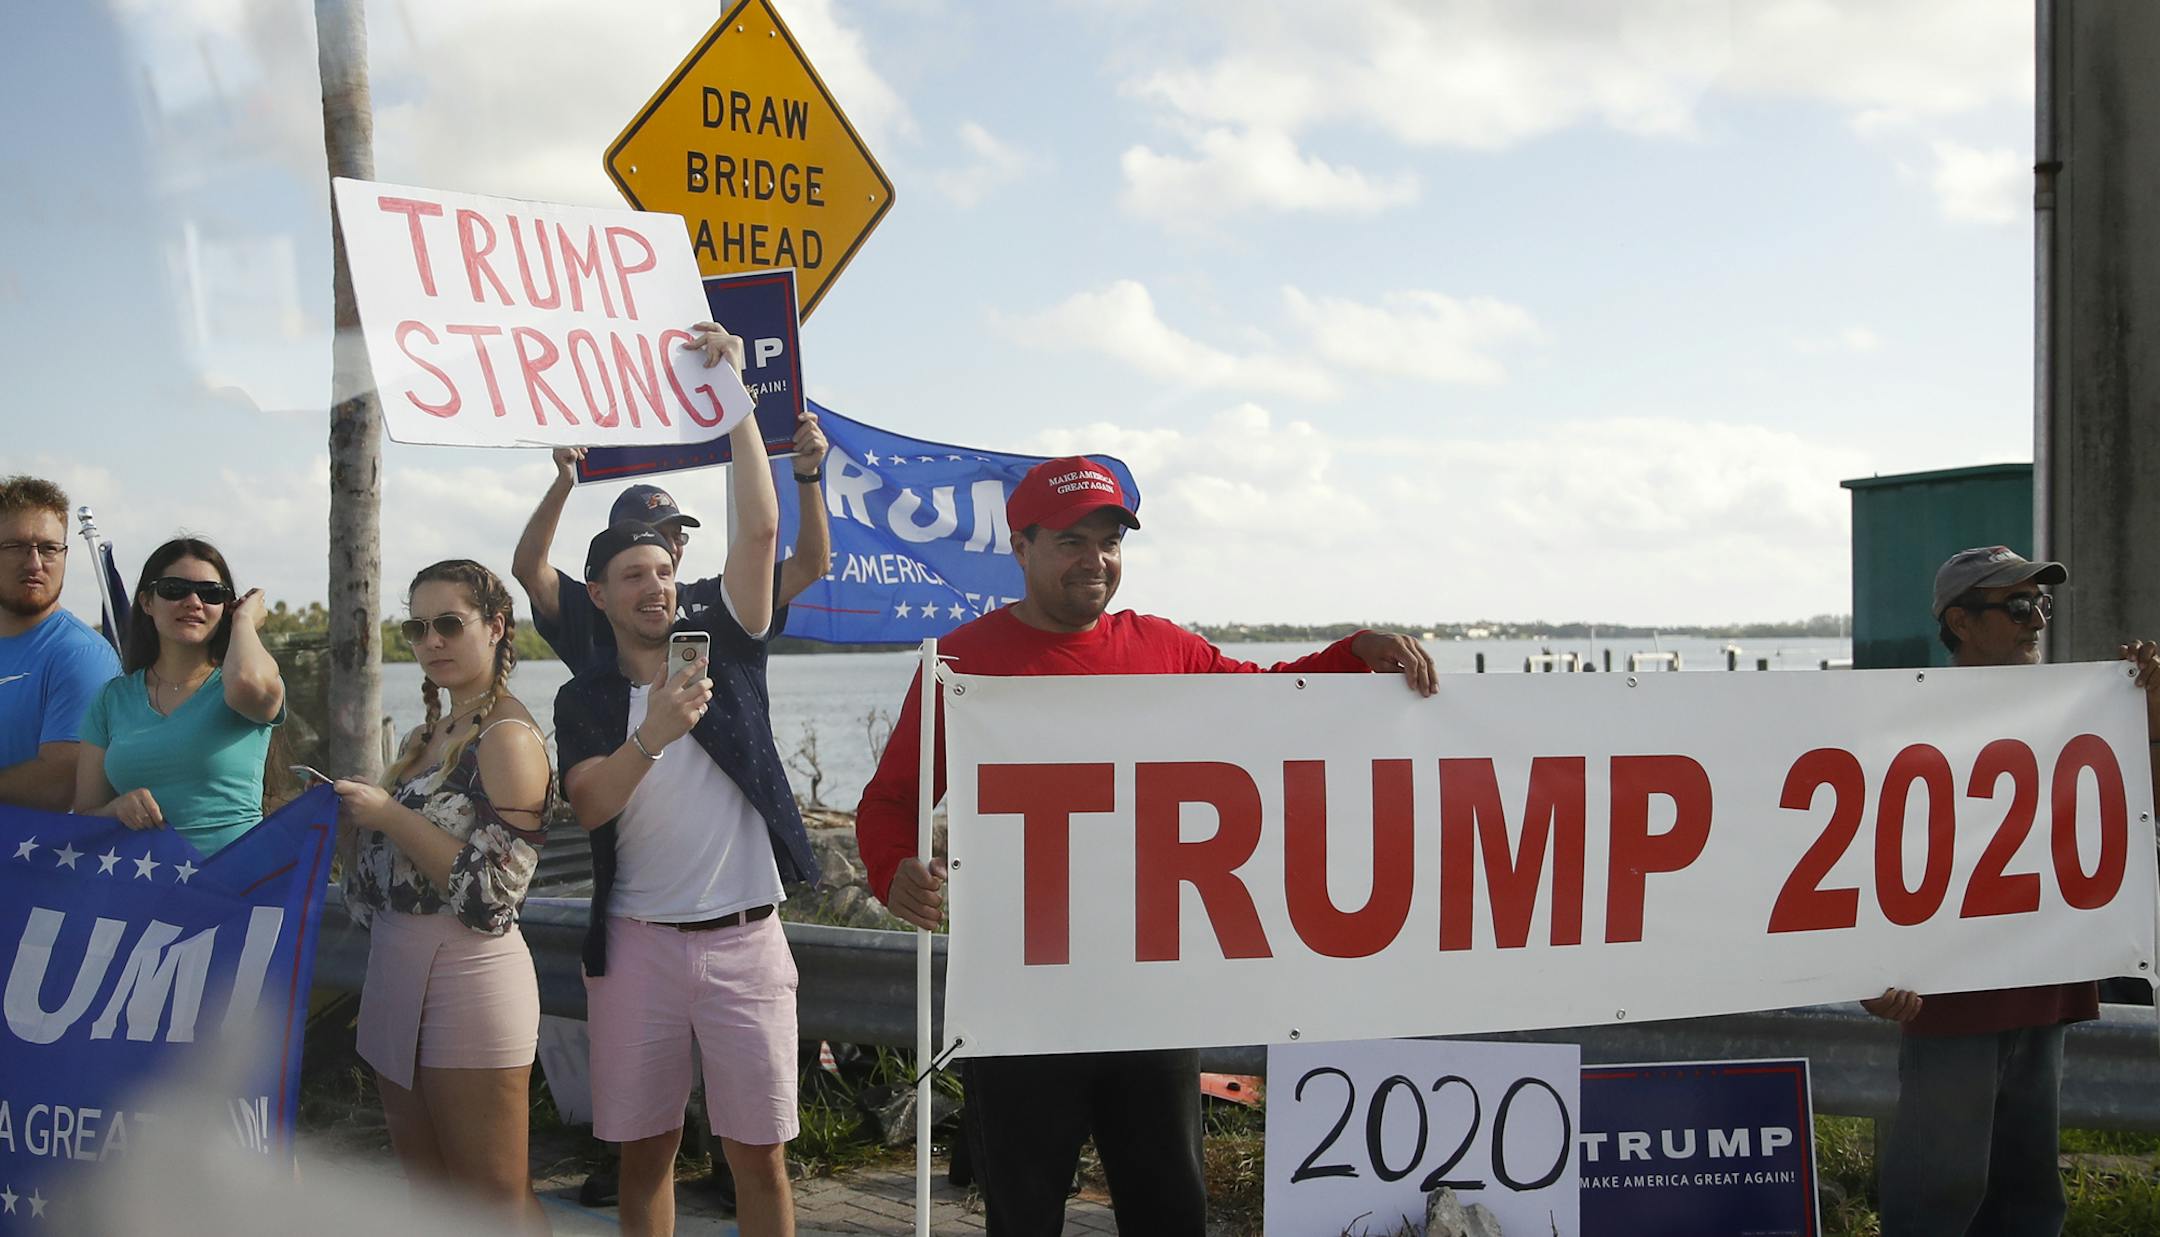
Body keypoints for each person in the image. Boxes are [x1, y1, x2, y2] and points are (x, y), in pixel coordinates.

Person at [853, 455, 1438, 1236]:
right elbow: (893, 798)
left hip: (1150, 992)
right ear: (1020, 549)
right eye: (1070, 541)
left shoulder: (1166, 649)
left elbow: (1273, 703)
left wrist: (1354, 652)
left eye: (1109, 541)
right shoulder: (960, 660)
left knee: (1170, 1211)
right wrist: (894, 866)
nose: (1094, 560)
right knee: (1022, 1216)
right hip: (1023, 997)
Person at [553, 324, 818, 1237]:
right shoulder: (585, 698)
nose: (655, 586)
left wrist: (738, 395)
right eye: (632, 575)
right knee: (645, 1157)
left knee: (762, 1165)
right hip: (637, 952)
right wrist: (655, 733)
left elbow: (762, 526)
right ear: (602, 595)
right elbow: (588, 800)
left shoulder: (732, 650)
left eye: (665, 570)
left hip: (748, 941)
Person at [1866, 546, 2160, 1237]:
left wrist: (2147, 706)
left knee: (2029, 1197)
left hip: (2044, 979)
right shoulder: (1908, 717)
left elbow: (2142, 806)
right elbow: (1867, 849)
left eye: (2042, 605)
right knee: (1939, 1192)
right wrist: (1870, 966)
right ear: (1960, 623)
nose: (2037, 621)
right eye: (2019, 606)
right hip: (1947, 990)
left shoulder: (2078, 709)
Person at [335, 560, 553, 1235]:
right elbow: (378, 882)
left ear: (495, 628)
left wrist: (391, 816)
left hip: (469, 976)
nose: (431, 640)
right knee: (428, 1201)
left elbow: (494, 896)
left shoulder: (508, 737)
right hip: (395, 971)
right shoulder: (422, 739)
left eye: (449, 623)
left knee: (493, 1202)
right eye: (417, 627)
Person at [513, 395, 832, 675]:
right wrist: (564, 481)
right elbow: (530, 569)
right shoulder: (594, 608)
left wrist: (808, 475)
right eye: (653, 536)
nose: (669, 548)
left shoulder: (715, 599)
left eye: (676, 536)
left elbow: (809, 565)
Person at [72, 537, 284, 856]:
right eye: (175, 589)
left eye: (212, 593)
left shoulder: (243, 679)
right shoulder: (110, 699)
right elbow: (85, 817)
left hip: (234, 888)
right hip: (139, 891)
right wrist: (116, 809)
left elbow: (245, 684)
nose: (194, 602)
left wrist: (243, 621)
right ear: (146, 602)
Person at [0, 475, 120, 812]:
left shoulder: (81, 655)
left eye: (49, 548)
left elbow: (61, 784)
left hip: (27, 860)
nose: (35, 563)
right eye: (16, 547)